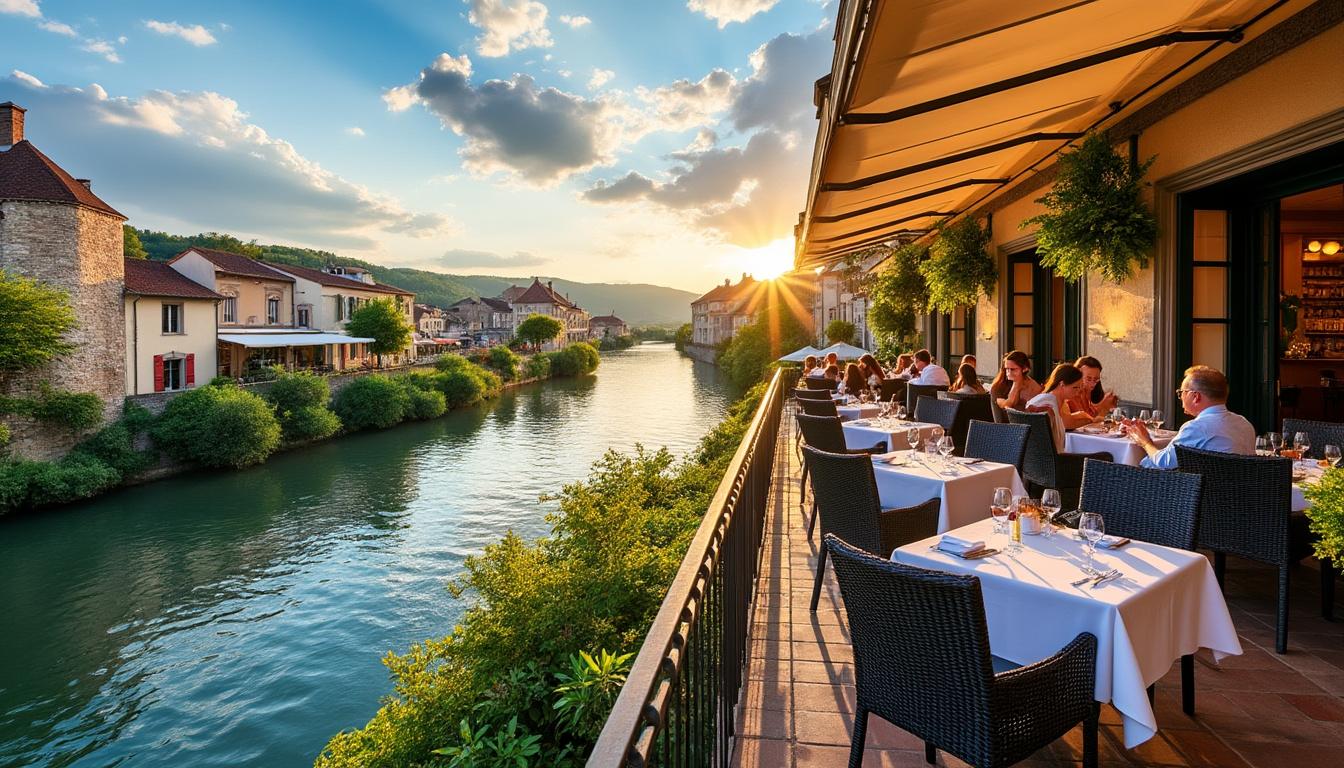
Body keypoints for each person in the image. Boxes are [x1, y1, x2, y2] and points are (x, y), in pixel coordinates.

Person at [1124, 365, 1256, 470]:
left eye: (1182, 392)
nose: (1180, 397)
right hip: (1240, 497)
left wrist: (1145, 441)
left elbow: (1163, 462)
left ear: (1195, 396)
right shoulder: (1244, 423)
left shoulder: (1196, 428)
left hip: (1198, 499)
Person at [1026, 363, 1085, 452]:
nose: (1078, 391)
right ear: (1062, 384)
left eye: (1080, 388)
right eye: (1075, 387)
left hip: (1038, 459)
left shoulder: (1054, 402)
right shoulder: (1046, 407)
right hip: (1050, 460)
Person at [1061, 355, 1119, 428]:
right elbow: (1083, 418)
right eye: (1088, 379)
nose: (1092, 384)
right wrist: (1103, 405)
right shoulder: (1071, 392)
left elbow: (1091, 415)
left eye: (1096, 379)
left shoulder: (1088, 391)